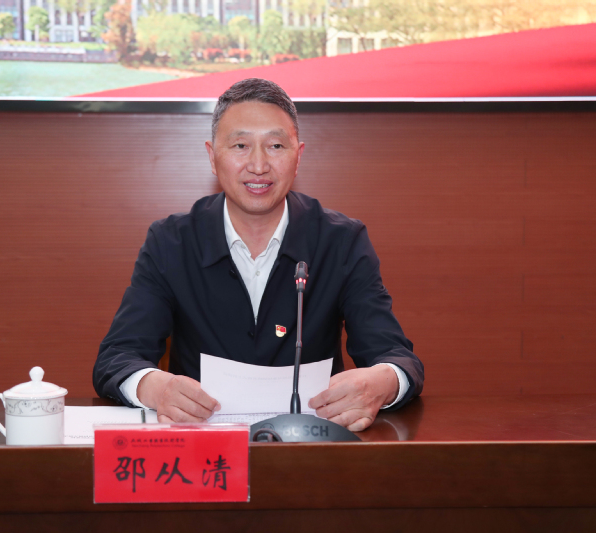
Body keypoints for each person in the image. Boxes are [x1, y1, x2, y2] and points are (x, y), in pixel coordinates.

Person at [93, 78, 423, 432]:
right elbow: (117, 357)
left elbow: (397, 358)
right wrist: (155, 388)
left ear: (298, 156)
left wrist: (380, 384)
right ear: (212, 156)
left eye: (276, 146)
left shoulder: (340, 240)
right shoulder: (172, 242)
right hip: (204, 448)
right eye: (240, 145)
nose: (259, 165)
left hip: (309, 448)